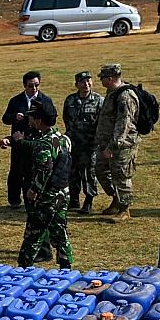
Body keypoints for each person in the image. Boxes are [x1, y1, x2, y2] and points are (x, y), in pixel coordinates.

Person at [6, 100, 74, 268]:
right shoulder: (63, 138)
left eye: (32, 118)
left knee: (34, 233)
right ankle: (66, 265)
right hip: (62, 193)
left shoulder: (44, 144)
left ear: (39, 120)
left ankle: (24, 266)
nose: (30, 121)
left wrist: (34, 190)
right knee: (59, 231)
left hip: (47, 196)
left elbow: (45, 169)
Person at [2, 71, 56, 208]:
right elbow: (5, 119)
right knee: (16, 171)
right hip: (19, 140)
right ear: (24, 85)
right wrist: (15, 116)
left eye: (37, 85)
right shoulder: (16, 100)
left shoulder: (45, 100)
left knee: (32, 171)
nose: (34, 89)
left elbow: (52, 119)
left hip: (37, 141)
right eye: (31, 86)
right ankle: (14, 200)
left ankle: (31, 199)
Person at [94, 63, 142, 220]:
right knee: (100, 170)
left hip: (122, 145)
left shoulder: (125, 97)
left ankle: (124, 208)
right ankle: (116, 199)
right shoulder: (112, 92)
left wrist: (113, 147)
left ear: (110, 78)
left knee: (121, 175)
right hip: (106, 143)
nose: (101, 82)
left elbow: (124, 125)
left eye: (103, 79)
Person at [62, 71, 103, 215]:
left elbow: (101, 123)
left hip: (90, 144)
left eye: (88, 81)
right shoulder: (70, 100)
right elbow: (66, 118)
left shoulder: (99, 100)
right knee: (72, 172)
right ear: (77, 84)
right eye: (82, 82)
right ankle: (74, 199)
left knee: (88, 173)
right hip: (73, 144)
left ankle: (89, 199)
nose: (86, 84)